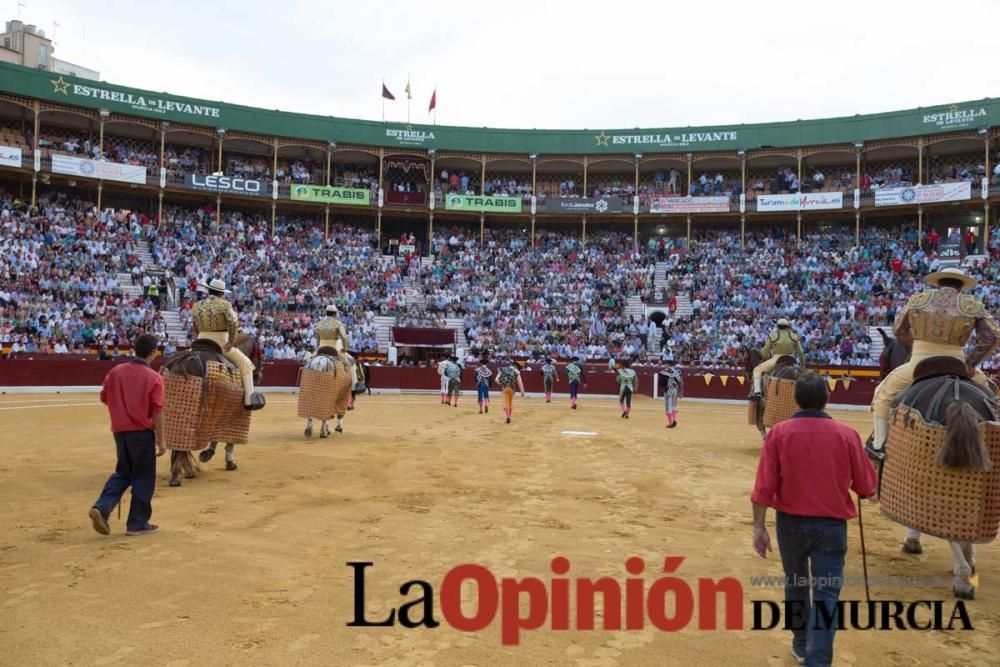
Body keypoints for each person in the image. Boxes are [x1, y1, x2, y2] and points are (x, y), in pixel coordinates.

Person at [750, 372, 878, 666]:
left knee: (795, 584)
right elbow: (866, 486)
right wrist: (868, 489)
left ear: (796, 399)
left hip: (790, 524)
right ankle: (817, 660)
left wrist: (759, 527)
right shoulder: (847, 435)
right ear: (827, 398)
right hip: (831, 526)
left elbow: (763, 489)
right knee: (826, 593)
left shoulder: (778, 434)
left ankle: (800, 642)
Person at [870, 267, 999, 454]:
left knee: (883, 395)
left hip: (919, 363)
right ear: (961, 286)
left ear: (938, 283)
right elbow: (992, 337)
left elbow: (899, 330)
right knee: (992, 398)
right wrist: (970, 364)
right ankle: (996, 447)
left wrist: (916, 346)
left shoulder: (919, 300)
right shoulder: (971, 304)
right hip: (958, 363)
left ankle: (880, 446)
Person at [89, 333, 167, 537]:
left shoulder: (116, 371)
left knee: (123, 472)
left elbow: (104, 397)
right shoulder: (154, 377)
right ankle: (137, 523)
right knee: (143, 477)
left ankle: (102, 506)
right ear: (153, 353)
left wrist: (121, 409)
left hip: (120, 432)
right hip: (141, 433)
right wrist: (161, 441)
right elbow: (157, 410)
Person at [190, 278, 264, 410]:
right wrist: (231, 341)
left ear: (208, 290)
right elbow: (233, 323)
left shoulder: (197, 305)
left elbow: (194, 326)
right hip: (220, 341)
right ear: (221, 293)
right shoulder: (224, 304)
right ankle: (249, 400)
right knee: (245, 364)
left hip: (200, 339)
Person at [751, 318, 805, 398]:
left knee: (757, 370)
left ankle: (757, 392)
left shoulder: (773, 336)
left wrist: (765, 356)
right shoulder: (794, 336)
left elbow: (764, 352)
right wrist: (802, 366)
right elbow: (801, 352)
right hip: (791, 358)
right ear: (787, 327)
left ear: (777, 327)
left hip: (777, 358)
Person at [496, 359, 526, 424]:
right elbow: (520, 383)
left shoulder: (503, 369)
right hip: (512, 389)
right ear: (516, 366)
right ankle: (509, 416)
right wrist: (522, 392)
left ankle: (508, 416)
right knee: (510, 402)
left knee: (506, 402)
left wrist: (503, 383)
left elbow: (496, 380)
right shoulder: (516, 371)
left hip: (505, 388)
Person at [659, 359, 683, 428]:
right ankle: (674, 420)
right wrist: (680, 391)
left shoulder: (664, 372)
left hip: (668, 390)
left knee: (668, 408)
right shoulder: (678, 372)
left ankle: (670, 423)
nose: (664, 365)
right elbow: (680, 382)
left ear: (668, 364)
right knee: (673, 407)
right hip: (675, 390)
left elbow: (661, 383)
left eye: (665, 364)